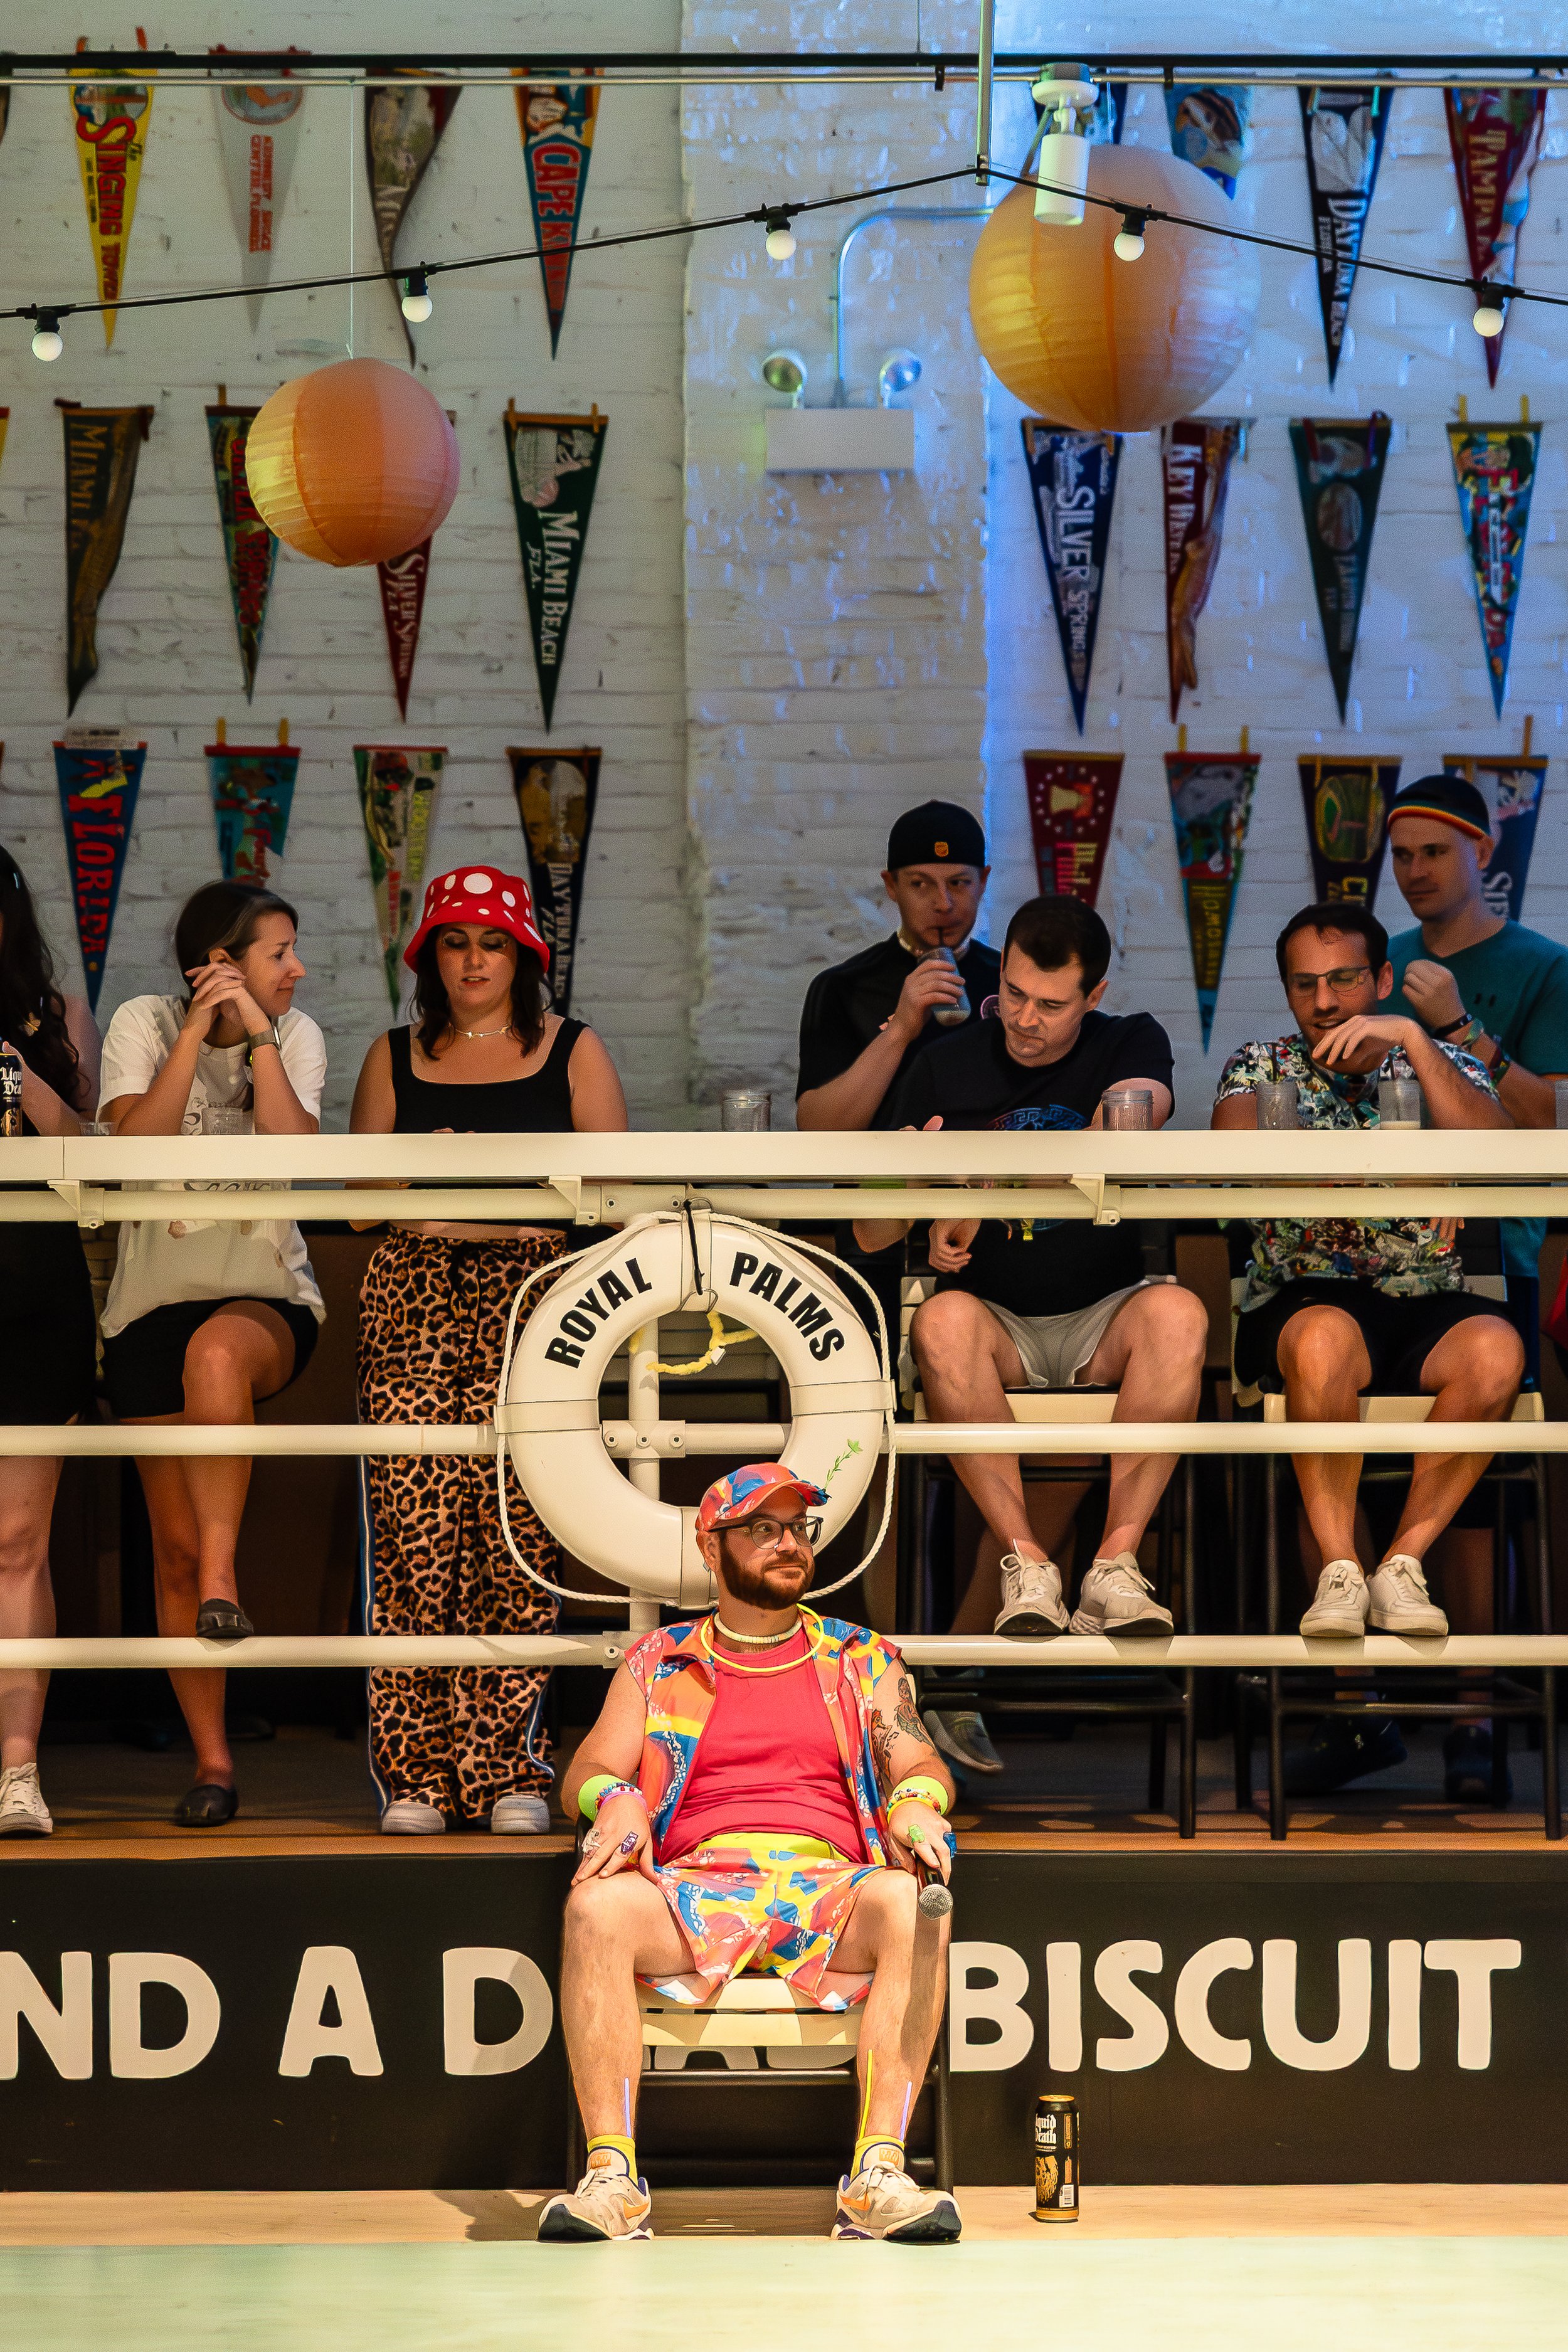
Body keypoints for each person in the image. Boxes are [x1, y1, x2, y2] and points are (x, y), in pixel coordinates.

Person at [539, 1463, 959, 2245]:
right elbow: (587, 1775)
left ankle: (878, 2174)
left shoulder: (861, 1659)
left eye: (798, 1528)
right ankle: (611, 2179)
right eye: (763, 1529)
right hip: (698, 1883)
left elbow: (921, 1764)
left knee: (909, 1903)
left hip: (830, 1881)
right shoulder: (659, 1659)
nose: (788, 1544)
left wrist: (915, 1805)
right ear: (712, 1544)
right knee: (595, 1907)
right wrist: (615, 1798)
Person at [853, 895, 1207, 1769]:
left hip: (1102, 1320)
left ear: (1094, 995)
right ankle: (1023, 1564)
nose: (1025, 1020)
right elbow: (864, 1231)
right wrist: (924, 1196)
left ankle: (1114, 1569)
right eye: (1012, 993)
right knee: (940, 1314)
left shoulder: (1131, 1040)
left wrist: (977, 1182)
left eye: (1051, 1005)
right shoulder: (943, 1062)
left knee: (1180, 1310)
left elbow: (1125, 1126)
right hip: (995, 1324)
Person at [1213, 901, 1520, 1792]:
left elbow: (1513, 1154)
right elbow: (1240, 1161)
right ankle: (1342, 1574)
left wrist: (1417, 1047)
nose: (1323, 998)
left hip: (1425, 1299)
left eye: (1344, 978)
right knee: (1319, 1341)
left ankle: (1400, 1564)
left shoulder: (1444, 1061)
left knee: (1496, 1350)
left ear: (1383, 981)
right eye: (1304, 982)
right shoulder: (1261, 1062)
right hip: (1307, 1295)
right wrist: (1412, 1172)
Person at [350, 867, 628, 1837]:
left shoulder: (572, 1049)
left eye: (494, 941)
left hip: (538, 1305)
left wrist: (469, 1198)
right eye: (457, 941)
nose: (474, 959)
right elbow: (360, 1204)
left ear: (526, 955)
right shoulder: (394, 1055)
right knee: (417, 1534)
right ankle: (417, 1772)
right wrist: (473, 1201)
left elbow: (611, 1198)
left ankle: (508, 1764)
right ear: (430, 955)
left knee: (516, 1532)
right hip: (414, 1302)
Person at [99, 881, 326, 1828]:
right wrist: (196, 1033)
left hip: (263, 1294)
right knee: (174, 1551)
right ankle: (213, 1760)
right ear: (224, 961)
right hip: (148, 1302)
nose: (297, 969)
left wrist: (260, 1035)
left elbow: (298, 1147)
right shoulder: (145, 1022)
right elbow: (127, 1144)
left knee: (216, 1359)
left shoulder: (297, 1032)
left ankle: (228, 1583)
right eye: (278, 952)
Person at [0, 850, 100, 1840]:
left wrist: (14, 1072)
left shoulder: (52, 1015)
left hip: (29, 1291)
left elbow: (82, 1144)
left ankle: (18, 1769)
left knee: (18, 1543)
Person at [1385, 770, 1568, 1313]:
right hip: (1373, 1232)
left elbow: (1553, 1120)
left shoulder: (1547, 967)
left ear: (1482, 851)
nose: (1415, 872)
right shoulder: (1376, 965)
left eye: (1435, 852)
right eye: (1402, 856)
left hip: (1492, 1233)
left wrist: (1461, 1028)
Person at [795, 800, 999, 1133]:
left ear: (983, 881)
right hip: (878, 1183)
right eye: (921, 884)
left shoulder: (1010, 982)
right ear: (892, 886)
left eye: (959, 883)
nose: (943, 903)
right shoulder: (844, 986)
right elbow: (818, 1132)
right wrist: (900, 1030)